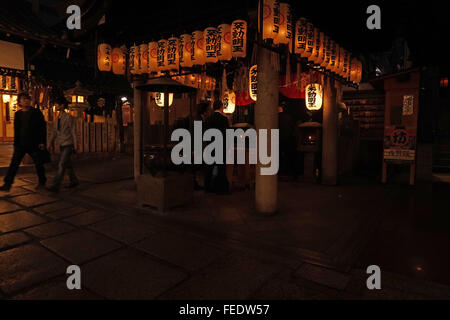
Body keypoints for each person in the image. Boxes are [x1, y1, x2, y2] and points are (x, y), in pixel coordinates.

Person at [0, 93, 47, 191]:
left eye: (27, 99)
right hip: (21, 144)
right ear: (19, 102)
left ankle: (42, 182)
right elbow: (16, 130)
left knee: (38, 163)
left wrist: (42, 142)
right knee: (14, 164)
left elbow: (42, 128)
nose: (26, 101)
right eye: (23, 99)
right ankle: (7, 184)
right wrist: (15, 144)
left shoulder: (36, 112)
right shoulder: (18, 114)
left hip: (34, 143)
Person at [47, 97, 79, 193]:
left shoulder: (68, 117)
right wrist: (49, 143)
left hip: (68, 144)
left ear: (62, 105)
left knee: (61, 164)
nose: (56, 106)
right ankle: (74, 181)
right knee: (67, 164)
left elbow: (73, 131)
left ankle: (56, 185)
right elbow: (54, 132)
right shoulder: (57, 118)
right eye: (55, 104)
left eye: (57, 104)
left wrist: (76, 144)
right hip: (61, 144)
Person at [204, 100, 229, 194]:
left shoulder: (209, 119)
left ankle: (207, 188)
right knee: (221, 168)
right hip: (221, 146)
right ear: (221, 107)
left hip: (210, 146)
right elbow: (227, 134)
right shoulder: (224, 119)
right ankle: (221, 189)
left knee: (209, 168)